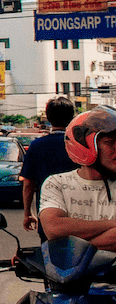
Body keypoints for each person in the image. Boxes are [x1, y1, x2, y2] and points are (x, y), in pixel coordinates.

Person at [39, 106, 116, 251]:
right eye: (109, 143)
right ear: (85, 146)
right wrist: (112, 224)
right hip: (70, 274)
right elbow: (55, 229)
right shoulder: (57, 183)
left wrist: (72, 252)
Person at [20, 97, 76, 237]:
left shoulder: (36, 146)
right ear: (72, 117)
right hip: (80, 215)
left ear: (48, 118)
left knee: (50, 256)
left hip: (48, 216)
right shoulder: (80, 145)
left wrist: (28, 213)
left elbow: (28, 184)